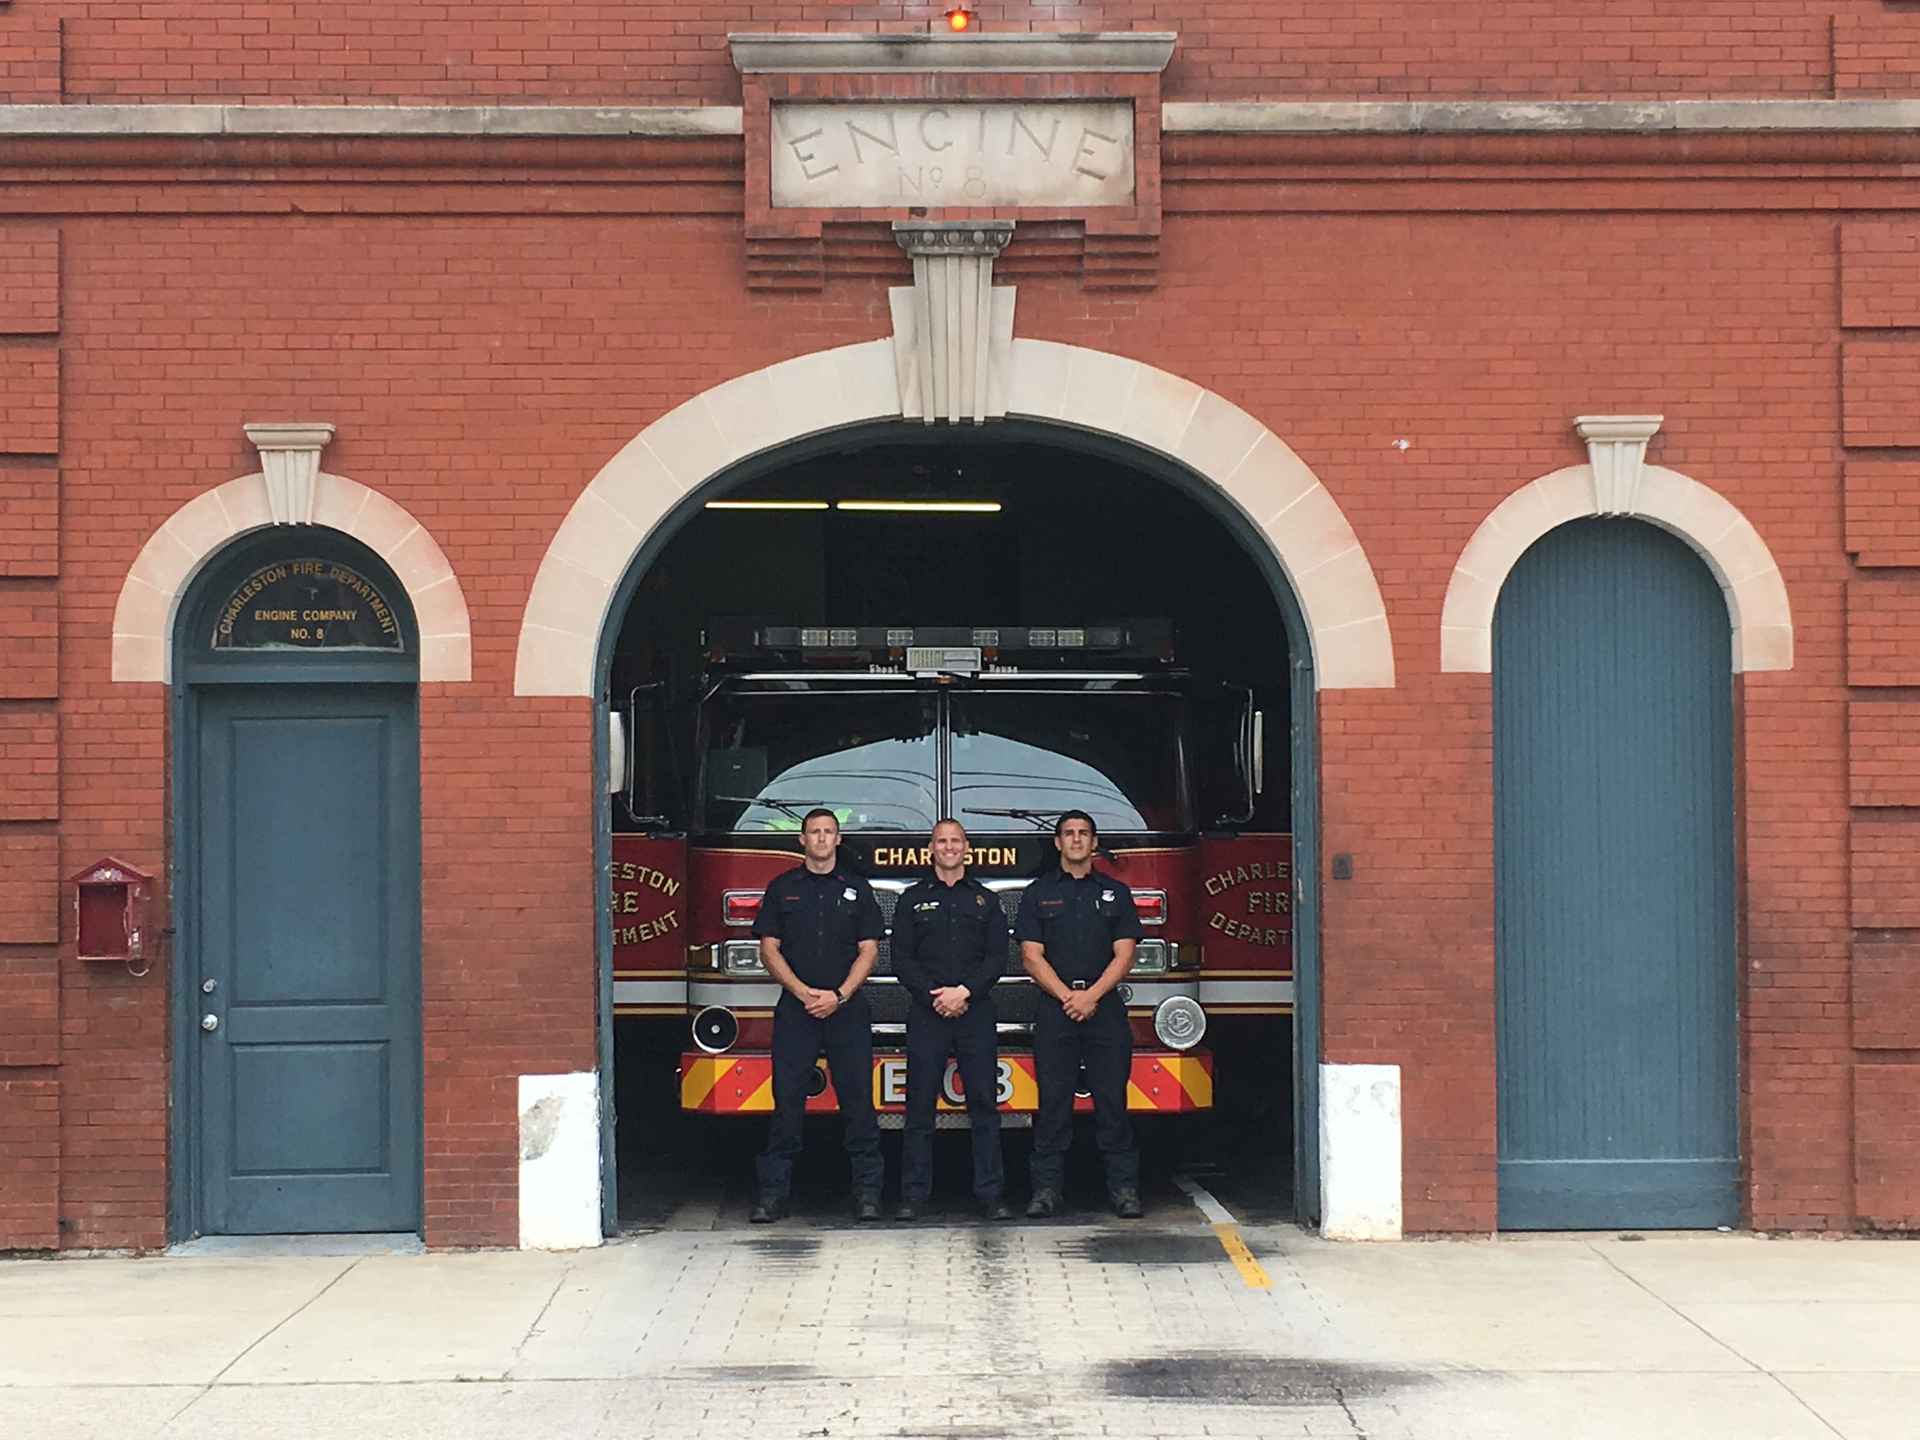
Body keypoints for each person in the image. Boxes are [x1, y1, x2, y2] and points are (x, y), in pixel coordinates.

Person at [749, 808, 886, 1223]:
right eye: (815, 832)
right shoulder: (782, 888)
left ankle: (868, 1195)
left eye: (829, 832)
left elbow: (870, 950)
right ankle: (773, 1196)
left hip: (846, 1011)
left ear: (838, 840)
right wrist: (802, 993)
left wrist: (840, 995)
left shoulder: (858, 889)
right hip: (797, 1010)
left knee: (858, 1103)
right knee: (787, 1104)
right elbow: (768, 948)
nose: (822, 839)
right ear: (802, 841)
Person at [1015, 809, 1146, 1220]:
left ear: (1093, 843)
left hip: (1104, 1007)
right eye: (1068, 834)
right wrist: (1067, 997)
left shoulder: (1115, 893)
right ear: (1057, 843)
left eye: (1083, 834)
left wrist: (1091, 996)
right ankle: (1047, 1190)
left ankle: (1124, 1189)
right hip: (1057, 1010)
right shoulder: (1038, 893)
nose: (1075, 840)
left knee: (1112, 1102)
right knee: (1052, 1104)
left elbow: (1125, 953)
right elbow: (1030, 956)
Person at [890, 818, 1013, 1222]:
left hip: (975, 1012)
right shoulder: (911, 900)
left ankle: (991, 1194)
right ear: (931, 848)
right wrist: (933, 995)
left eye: (955, 841)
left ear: (966, 848)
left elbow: (997, 957)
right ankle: (913, 1195)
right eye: (941, 841)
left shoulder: (985, 901)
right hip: (927, 1013)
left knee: (983, 1104)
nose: (948, 847)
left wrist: (965, 992)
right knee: (919, 1105)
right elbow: (902, 959)